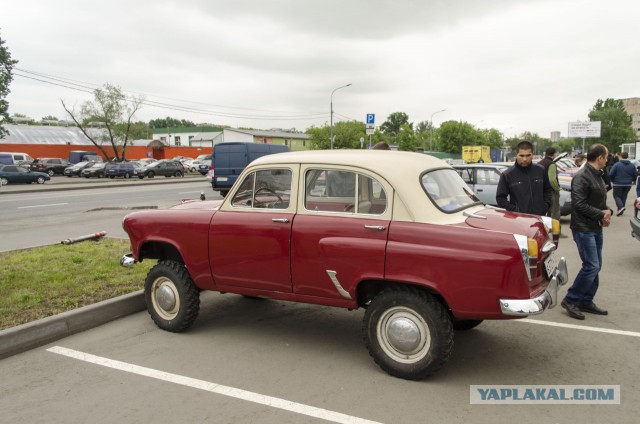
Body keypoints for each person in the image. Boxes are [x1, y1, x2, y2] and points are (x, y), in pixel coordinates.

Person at [561, 143, 612, 320]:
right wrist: (601, 214)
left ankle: (586, 300)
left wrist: (608, 211)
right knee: (592, 266)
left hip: (595, 226)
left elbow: (598, 201)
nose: (607, 160)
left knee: (596, 266)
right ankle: (571, 299)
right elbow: (579, 204)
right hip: (583, 228)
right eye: (606, 157)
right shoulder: (582, 176)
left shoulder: (597, 175)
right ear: (599, 158)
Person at [496, 140, 552, 215]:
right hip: (519, 220)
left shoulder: (540, 170)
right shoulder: (507, 175)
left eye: (528, 155)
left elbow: (548, 190)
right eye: (521, 156)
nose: (525, 159)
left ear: (533, 155)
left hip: (539, 218)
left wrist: (545, 206)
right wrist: (516, 210)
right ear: (516, 155)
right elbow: (500, 199)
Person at [609, 151, 638, 215]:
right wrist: (633, 180)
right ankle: (620, 209)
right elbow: (635, 174)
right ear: (627, 156)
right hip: (628, 184)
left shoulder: (616, 164)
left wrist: (613, 180)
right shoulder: (632, 165)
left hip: (618, 183)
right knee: (624, 196)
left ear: (621, 156)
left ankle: (621, 207)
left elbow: (611, 174)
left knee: (616, 195)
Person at [538, 147, 561, 220]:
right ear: (554, 154)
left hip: (541, 192)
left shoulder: (540, 163)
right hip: (551, 192)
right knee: (555, 213)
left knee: (544, 213)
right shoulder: (551, 164)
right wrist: (557, 189)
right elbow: (552, 180)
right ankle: (555, 230)